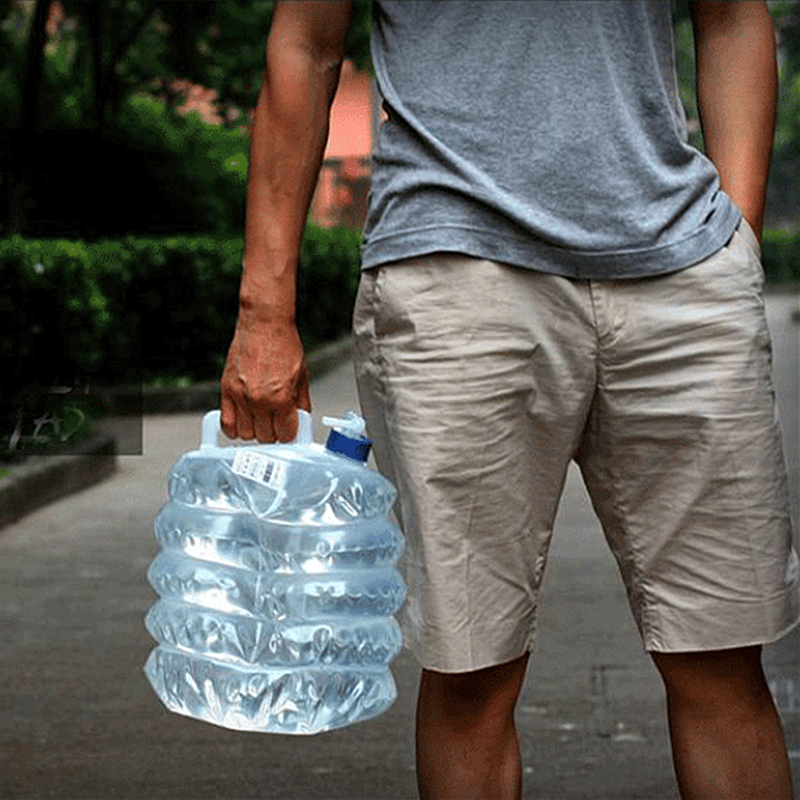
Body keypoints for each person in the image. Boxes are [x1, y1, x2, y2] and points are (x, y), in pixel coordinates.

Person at [220, 2, 800, 798]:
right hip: (453, 270)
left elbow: (733, 16)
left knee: (724, 658)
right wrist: (264, 313)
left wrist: (738, 242)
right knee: (471, 670)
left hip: (681, 271)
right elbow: (306, 43)